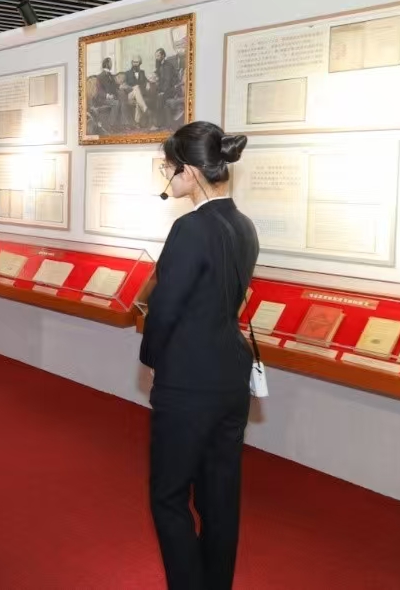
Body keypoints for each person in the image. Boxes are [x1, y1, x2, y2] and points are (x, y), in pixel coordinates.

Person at [142, 121, 257, 590]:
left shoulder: (189, 229)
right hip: (232, 378)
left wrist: (151, 358)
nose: (168, 178)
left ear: (188, 171)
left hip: (189, 383)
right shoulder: (244, 224)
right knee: (219, 497)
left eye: (169, 169)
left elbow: (165, 307)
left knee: (168, 496)